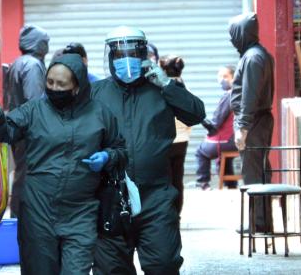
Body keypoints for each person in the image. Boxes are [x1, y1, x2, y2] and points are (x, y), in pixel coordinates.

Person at [0, 53, 127, 275]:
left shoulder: (100, 113)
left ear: (77, 87)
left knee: (76, 270)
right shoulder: (34, 109)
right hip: (38, 211)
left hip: (81, 212)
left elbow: (121, 150)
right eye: (50, 82)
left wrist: (107, 157)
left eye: (61, 84)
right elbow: (8, 132)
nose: (54, 88)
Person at [92, 26, 205, 275]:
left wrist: (167, 83)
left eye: (133, 52)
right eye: (120, 54)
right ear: (111, 57)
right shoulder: (96, 93)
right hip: (109, 197)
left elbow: (197, 113)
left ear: (144, 54)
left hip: (156, 197)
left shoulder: (162, 90)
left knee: (163, 264)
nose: (127, 59)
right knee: (111, 269)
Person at [229, 13, 274, 233]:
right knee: (259, 171)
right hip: (257, 121)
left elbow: (249, 95)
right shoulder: (257, 55)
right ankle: (261, 221)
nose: (231, 40)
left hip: (254, 123)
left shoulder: (253, 58)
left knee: (254, 174)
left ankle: (259, 224)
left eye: (233, 34)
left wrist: (242, 128)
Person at [5, 24, 50, 218]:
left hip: (19, 128)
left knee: (22, 175)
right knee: (25, 177)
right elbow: (35, 101)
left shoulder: (20, 62)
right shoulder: (32, 66)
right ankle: (20, 219)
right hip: (28, 131)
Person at [196, 65, 239, 190]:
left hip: (227, 141)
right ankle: (231, 184)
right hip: (236, 139)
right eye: (220, 76)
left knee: (201, 153)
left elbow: (217, 121)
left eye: (225, 76)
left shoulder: (229, 96)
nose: (222, 80)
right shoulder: (240, 93)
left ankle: (203, 183)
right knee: (224, 156)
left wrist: (205, 124)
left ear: (234, 77)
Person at [159, 54, 191, 215]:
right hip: (182, 140)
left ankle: (167, 213)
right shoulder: (184, 88)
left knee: (165, 180)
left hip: (165, 141)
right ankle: (176, 213)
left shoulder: (163, 89)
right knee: (177, 179)